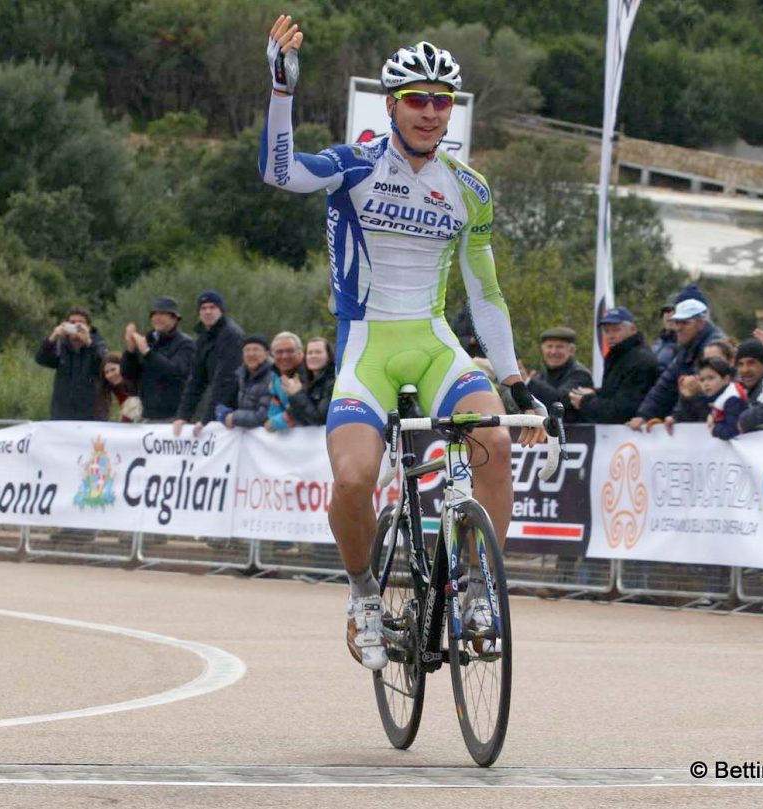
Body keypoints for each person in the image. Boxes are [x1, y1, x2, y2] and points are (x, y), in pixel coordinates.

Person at [260, 18, 547, 670]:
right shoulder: (354, 165)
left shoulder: (467, 188)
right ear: (391, 104)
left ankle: (477, 587)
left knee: (495, 443)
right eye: (416, 98)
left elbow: (487, 294)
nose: (429, 111)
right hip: (367, 349)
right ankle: (364, 593)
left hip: (436, 342)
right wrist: (282, 88)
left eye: (441, 100)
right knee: (356, 478)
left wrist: (514, 378)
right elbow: (279, 172)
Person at [628, 298, 725, 431]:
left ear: (701, 323)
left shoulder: (713, 348)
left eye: (685, 323)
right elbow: (666, 383)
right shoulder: (686, 347)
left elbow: (703, 390)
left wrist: (677, 416)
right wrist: (644, 415)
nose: (678, 328)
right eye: (676, 322)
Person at [570, 307, 660, 424]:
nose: (610, 335)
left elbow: (623, 410)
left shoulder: (640, 361)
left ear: (633, 329)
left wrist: (586, 402)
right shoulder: (618, 357)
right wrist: (596, 394)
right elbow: (616, 393)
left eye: (616, 330)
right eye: (606, 331)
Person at [172, 291, 244, 437]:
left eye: (212, 307)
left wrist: (208, 419)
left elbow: (227, 380)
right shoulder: (203, 338)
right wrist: (183, 415)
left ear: (221, 310)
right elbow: (196, 379)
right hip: (220, 407)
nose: (208, 312)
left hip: (234, 408)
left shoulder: (231, 335)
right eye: (203, 308)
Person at [121, 296, 195, 422]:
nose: (156, 318)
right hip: (145, 415)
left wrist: (148, 353)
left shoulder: (185, 344)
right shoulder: (148, 340)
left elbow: (176, 372)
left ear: (174, 318)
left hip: (172, 417)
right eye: (154, 314)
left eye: (162, 314)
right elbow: (128, 374)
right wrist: (131, 351)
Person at [35, 307, 108, 421]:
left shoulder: (97, 343)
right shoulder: (61, 346)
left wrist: (88, 342)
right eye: (72, 323)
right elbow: (41, 359)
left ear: (88, 327)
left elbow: (105, 363)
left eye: (81, 323)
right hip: (62, 415)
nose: (76, 327)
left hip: (91, 417)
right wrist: (53, 336)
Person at [524, 327, 593, 423]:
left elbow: (559, 401)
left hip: (577, 435)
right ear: (542, 350)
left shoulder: (580, 375)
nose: (553, 352)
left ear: (572, 350)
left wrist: (528, 382)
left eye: (559, 347)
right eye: (549, 346)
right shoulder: (541, 376)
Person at [214, 336, 279, 430]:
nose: (251, 354)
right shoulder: (240, 376)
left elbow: (264, 416)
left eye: (256, 350)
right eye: (247, 350)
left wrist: (233, 417)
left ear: (267, 354)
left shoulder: (274, 377)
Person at [694, 357, 748, 440]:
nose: (705, 384)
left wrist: (714, 428)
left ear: (726, 379)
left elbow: (732, 431)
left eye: (711, 378)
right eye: (702, 380)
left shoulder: (732, 399)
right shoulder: (715, 396)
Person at [286, 336, 336, 426]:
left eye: (318, 352)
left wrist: (297, 394)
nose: (313, 356)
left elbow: (319, 419)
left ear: (328, 356)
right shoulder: (302, 380)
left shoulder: (333, 383)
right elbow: (296, 417)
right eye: (310, 353)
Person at [101, 351, 140, 422]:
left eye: (113, 369)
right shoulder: (116, 387)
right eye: (106, 372)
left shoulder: (136, 383)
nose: (110, 375)